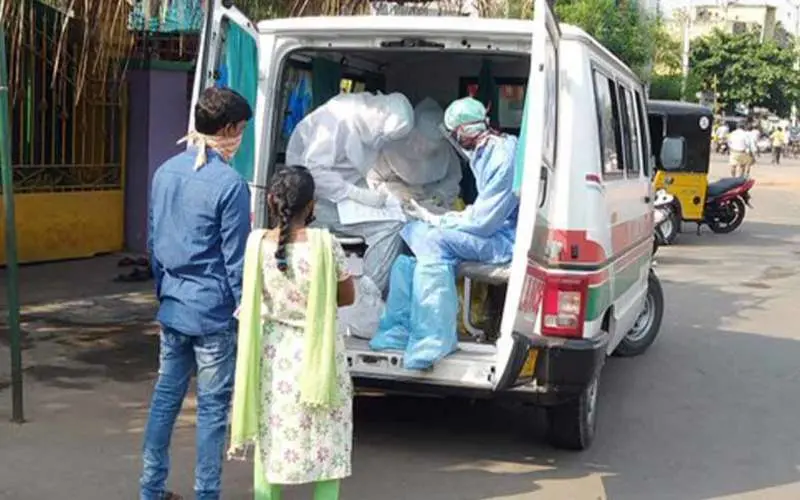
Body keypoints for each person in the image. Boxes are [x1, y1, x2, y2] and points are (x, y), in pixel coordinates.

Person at [140, 87, 253, 500]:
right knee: (211, 410)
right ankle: (207, 494)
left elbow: (153, 243)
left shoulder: (165, 171)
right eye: (241, 130)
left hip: (174, 306)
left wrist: (165, 294)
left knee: (165, 400)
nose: (241, 137)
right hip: (213, 313)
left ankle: (150, 490)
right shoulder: (230, 184)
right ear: (227, 130)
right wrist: (246, 309)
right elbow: (236, 258)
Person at [228, 166, 355, 500]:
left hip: (275, 355)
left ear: (271, 200)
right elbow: (347, 296)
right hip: (320, 352)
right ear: (311, 206)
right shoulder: (327, 246)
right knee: (326, 441)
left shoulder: (257, 244)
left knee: (273, 437)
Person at [370, 97, 519, 370]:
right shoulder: (482, 153)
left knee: (433, 238)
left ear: (462, 131)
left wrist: (443, 219)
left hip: (504, 238)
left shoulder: (503, 157)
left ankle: (434, 339)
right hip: (485, 227)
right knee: (413, 232)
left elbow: (486, 221)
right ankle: (397, 329)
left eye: (452, 134)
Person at [286, 92, 414, 295]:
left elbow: (353, 167)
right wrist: (355, 194)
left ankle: (365, 292)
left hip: (340, 199)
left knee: (401, 216)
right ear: (380, 115)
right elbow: (315, 173)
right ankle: (368, 298)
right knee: (392, 225)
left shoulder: (364, 118)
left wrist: (370, 193)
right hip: (315, 201)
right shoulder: (338, 119)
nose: (381, 141)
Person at [367, 97, 462, 211]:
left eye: (431, 147)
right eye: (421, 141)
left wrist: (440, 194)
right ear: (413, 134)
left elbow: (454, 178)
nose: (423, 150)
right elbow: (373, 180)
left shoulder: (445, 150)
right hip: (397, 208)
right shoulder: (391, 148)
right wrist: (395, 191)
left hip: (433, 209)